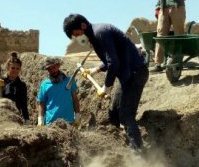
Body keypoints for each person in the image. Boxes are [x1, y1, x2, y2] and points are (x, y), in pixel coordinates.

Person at [63, 14, 148, 151]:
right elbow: (112, 57)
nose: (78, 38)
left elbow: (113, 63)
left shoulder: (100, 33)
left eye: (77, 34)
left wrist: (106, 87)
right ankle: (122, 145)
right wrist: (95, 70)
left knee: (126, 115)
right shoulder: (95, 36)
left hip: (136, 73)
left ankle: (137, 153)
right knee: (114, 112)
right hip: (126, 75)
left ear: (83, 26)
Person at [37, 57, 80, 126]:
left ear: (58, 65)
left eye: (54, 67)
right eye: (49, 69)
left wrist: (77, 115)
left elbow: (75, 99)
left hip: (68, 122)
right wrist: (40, 120)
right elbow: (42, 104)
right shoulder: (45, 84)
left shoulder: (69, 80)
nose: (53, 70)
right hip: (51, 124)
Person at [0, 52, 30, 124]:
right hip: (0, 117)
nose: (15, 70)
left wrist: (27, 120)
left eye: (17, 68)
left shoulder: (22, 85)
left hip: (15, 118)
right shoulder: (0, 80)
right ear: (8, 68)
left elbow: (23, 105)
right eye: (12, 68)